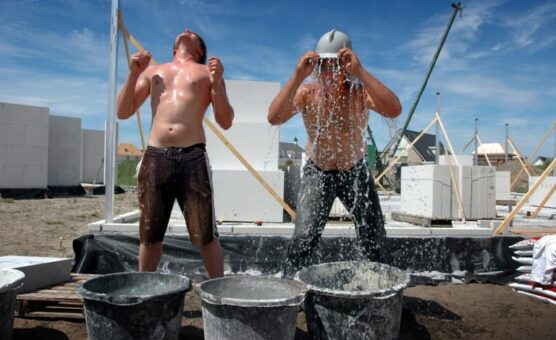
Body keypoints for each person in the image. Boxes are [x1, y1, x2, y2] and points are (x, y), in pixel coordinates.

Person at [267, 29, 401, 278]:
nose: (329, 73)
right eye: (324, 66)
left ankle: (384, 285)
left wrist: (360, 71)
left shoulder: (358, 92)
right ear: (316, 67)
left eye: (336, 66)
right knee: (304, 235)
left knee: (374, 233)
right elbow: (274, 117)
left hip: (355, 171)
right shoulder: (308, 93)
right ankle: (294, 286)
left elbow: (394, 109)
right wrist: (297, 76)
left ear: (346, 66)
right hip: (318, 171)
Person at [116, 29, 234, 278]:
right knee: (149, 234)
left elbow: (226, 121)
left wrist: (218, 84)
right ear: (173, 49)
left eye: (194, 35)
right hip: (155, 155)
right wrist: (134, 72)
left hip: (192, 157)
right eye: (184, 32)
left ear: (200, 51)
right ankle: (145, 288)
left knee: (206, 234)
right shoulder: (152, 71)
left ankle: (220, 291)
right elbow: (123, 111)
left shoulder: (207, 72)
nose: (188, 30)